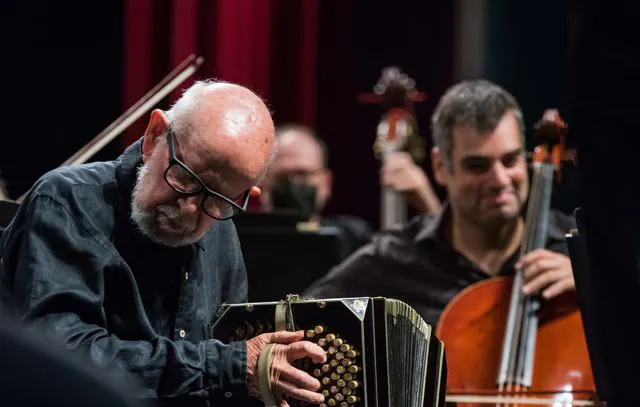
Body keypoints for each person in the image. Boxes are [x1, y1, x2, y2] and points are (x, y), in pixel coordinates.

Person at [0, 80, 327, 407]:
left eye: (216, 200)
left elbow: (225, 370)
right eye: (184, 177)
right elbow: (63, 357)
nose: (189, 210)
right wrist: (229, 366)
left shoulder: (222, 231)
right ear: (155, 135)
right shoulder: (66, 201)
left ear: (244, 197)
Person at [304, 79, 577, 327]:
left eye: (510, 160)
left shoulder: (576, 249)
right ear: (440, 167)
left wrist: (596, 287)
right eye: (477, 166)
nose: (500, 179)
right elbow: (300, 318)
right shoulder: (395, 257)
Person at [259, 123, 373, 255]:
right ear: (262, 182)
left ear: (326, 183)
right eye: (282, 176)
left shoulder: (353, 238)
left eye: (303, 174)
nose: (293, 183)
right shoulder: (239, 238)